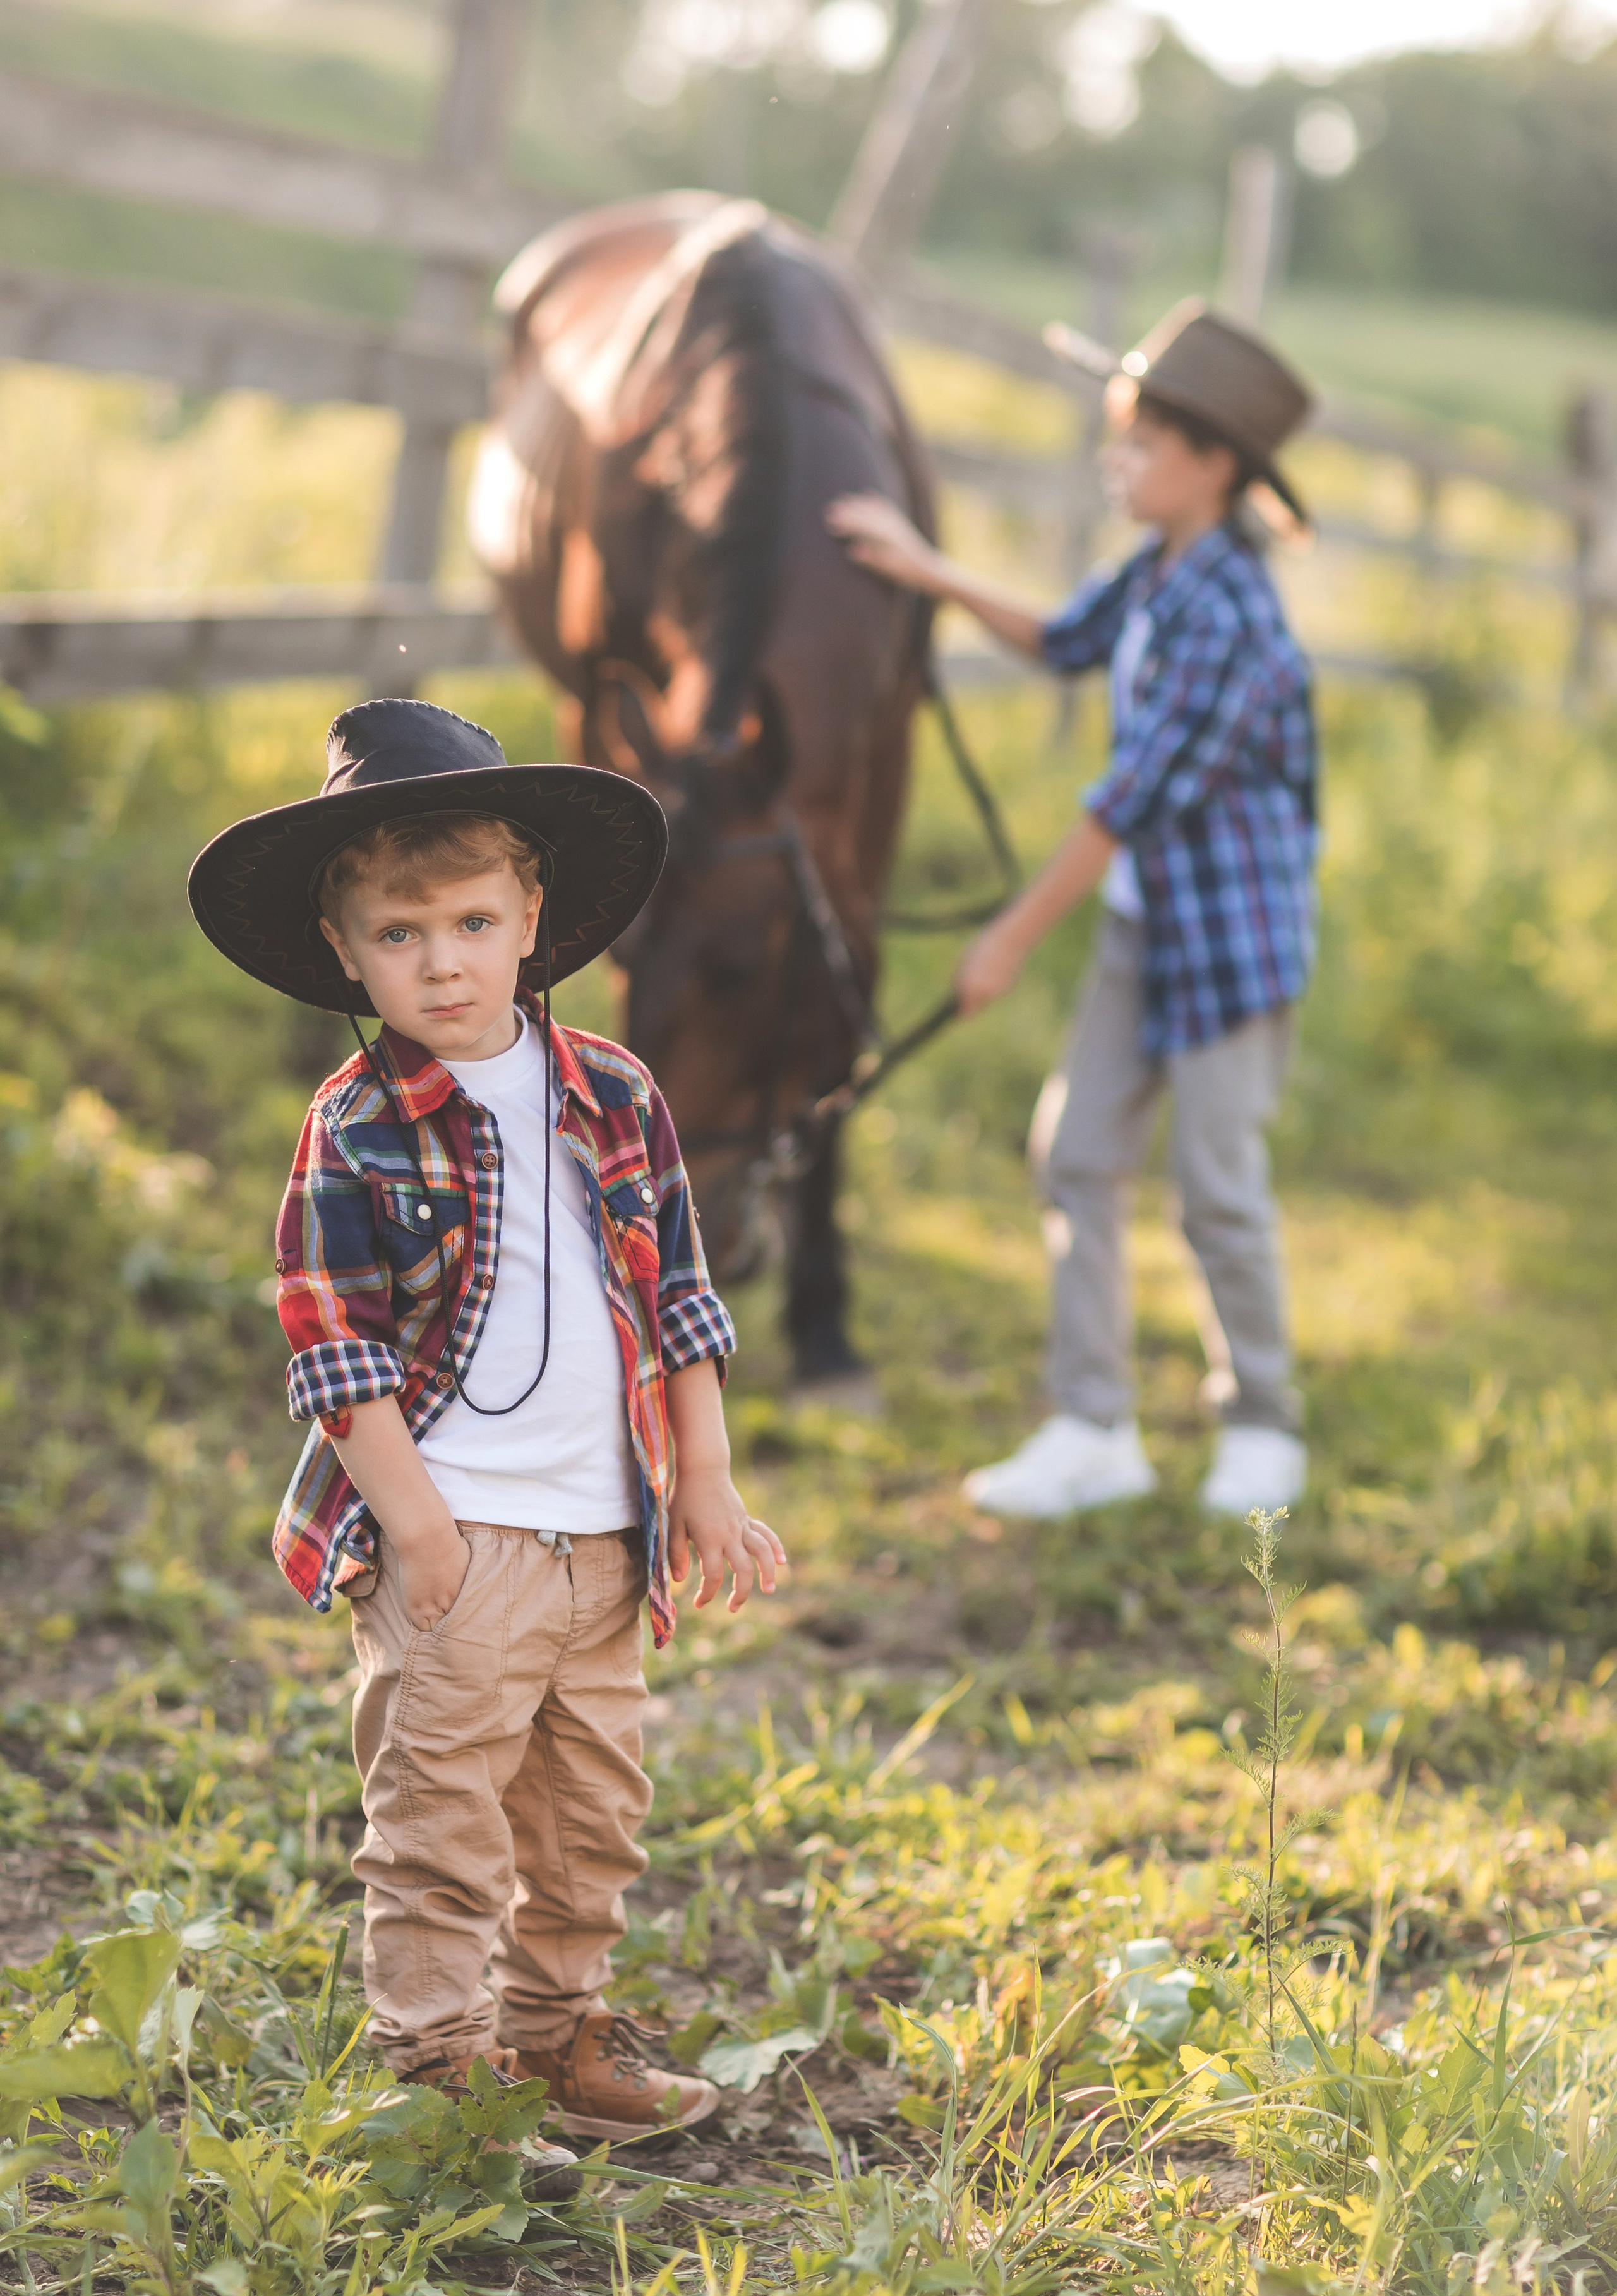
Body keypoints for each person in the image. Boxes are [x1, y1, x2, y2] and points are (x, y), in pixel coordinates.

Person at [188, 698, 786, 2181]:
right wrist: (422, 1528)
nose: (440, 961)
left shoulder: (615, 1093)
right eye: (400, 934)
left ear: (532, 916)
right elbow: (329, 1338)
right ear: (344, 948)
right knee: (443, 1818)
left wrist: (701, 1479)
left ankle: (553, 2034)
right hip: (453, 1539)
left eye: (468, 919)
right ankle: (436, 2071)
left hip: (606, 1535)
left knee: (591, 1811)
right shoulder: (357, 1122)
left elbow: (682, 1302)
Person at [828, 302, 1317, 1520]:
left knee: (1216, 1183)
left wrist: (1005, 938)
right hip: (1145, 926)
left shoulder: (1233, 619)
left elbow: (1126, 801)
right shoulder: (1157, 571)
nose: (1120, 461)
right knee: (1079, 1154)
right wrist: (920, 564)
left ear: (1212, 465)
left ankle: (1263, 1423)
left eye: (1143, 443)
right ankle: (1094, 1424)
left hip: (1227, 944)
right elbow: (1063, 640)